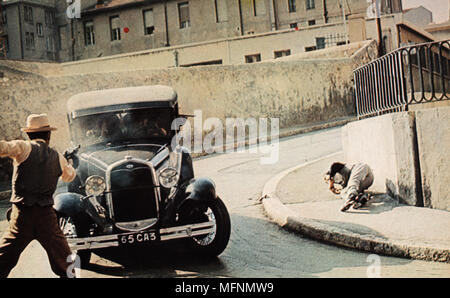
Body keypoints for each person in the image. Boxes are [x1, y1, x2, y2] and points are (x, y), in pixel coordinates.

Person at [0, 113, 76, 278]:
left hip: (22, 216)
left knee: (3, 258)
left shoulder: (23, 147)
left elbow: (3, 147)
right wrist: (70, 163)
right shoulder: (58, 157)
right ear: (48, 134)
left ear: (28, 134)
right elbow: (69, 176)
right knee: (67, 261)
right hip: (46, 217)